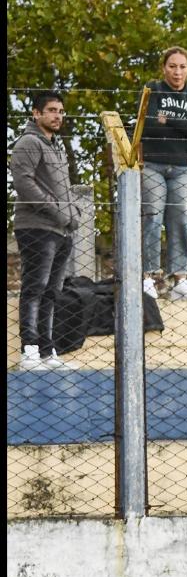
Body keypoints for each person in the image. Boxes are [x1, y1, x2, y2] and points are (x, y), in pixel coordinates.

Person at [11, 90, 80, 370]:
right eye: (51, 110)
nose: (57, 116)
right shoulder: (28, 142)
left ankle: (46, 352)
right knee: (35, 287)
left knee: (52, 290)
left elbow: (62, 188)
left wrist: (72, 213)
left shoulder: (55, 145)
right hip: (36, 227)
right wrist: (61, 212)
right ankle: (28, 351)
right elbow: (24, 184)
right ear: (36, 114)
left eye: (61, 111)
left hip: (61, 229)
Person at [140, 45, 187, 301]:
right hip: (152, 164)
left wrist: (168, 120)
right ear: (164, 68)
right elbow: (147, 124)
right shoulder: (153, 90)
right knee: (152, 217)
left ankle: (179, 278)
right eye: (172, 66)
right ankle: (148, 277)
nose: (177, 71)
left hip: (183, 167)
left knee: (180, 220)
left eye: (182, 66)